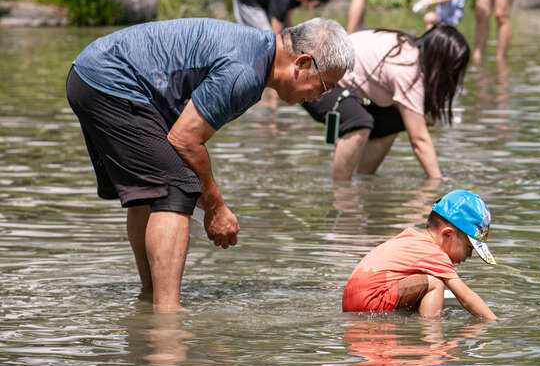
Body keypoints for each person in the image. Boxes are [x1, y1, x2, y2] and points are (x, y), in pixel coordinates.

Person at [66, 17, 354, 312]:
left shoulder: (257, 55)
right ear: (303, 63)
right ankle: (167, 313)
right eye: (325, 85)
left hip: (93, 74)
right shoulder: (246, 72)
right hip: (111, 82)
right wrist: (216, 208)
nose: (320, 96)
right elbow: (185, 139)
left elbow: (183, 138)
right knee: (175, 188)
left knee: (151, 190)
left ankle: (150, 297)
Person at [303, 25, 470, 181]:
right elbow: (419, 139)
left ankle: (363, 180)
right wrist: (437, 182)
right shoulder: (407, 69)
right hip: (316, 76)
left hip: (342, 82)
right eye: (451, 68)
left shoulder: (408, 50)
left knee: (393, 122)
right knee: (358, 122)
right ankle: (341, 191)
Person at [342, 189, 496, 320]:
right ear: (447, 235)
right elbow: (467, 298)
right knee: (435, 284)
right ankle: (431, 336)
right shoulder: (435, 254)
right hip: (370, 299)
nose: (468, 256)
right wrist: (494, 320)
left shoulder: (411, 238)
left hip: (351, 298)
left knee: (424, 284)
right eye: (469, 248)